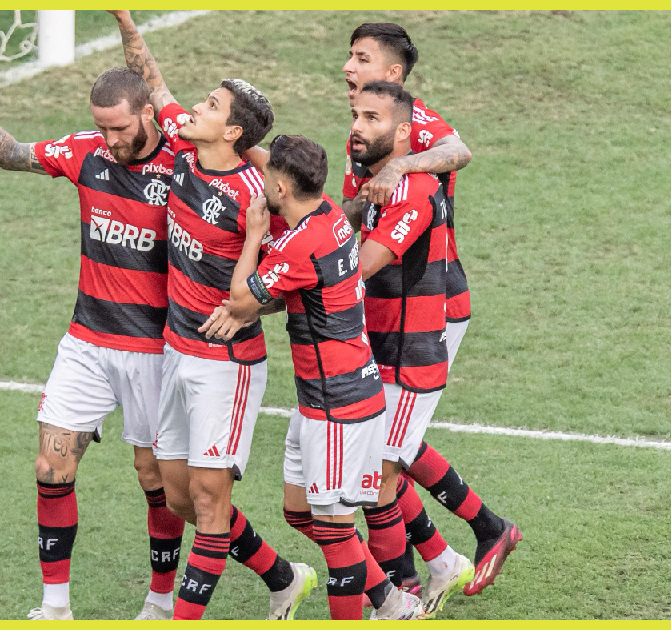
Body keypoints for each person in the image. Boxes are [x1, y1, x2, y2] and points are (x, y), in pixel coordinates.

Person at [0, 67, 184, 620]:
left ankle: (161, 599)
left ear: (147, 113)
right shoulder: (85, 152)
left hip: (154, 350)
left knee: (156, 481)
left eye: (118, 128)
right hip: (87, 343)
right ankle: (54, 607)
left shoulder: (183, 165)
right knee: (51, 469)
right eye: (102, 129)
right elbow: (11, 153)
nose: (111, 140)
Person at [109, 10, 315, 621]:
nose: (194, 108)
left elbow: (300, 268)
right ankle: (284, 576)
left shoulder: (259, 197)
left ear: (233, 132)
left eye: (211, 105)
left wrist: (251, 304)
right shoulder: (184, 146)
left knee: (208, 501)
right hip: (176, 348)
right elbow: (151, 79)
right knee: (178, 498)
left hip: (226, 365)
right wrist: (124, 18)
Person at [199, 135, 426, 620]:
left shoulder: (304, 241)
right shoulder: (326, 214)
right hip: (323, 400)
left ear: (281, 187)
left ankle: (381, 605)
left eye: (267, 182)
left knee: (336, 530)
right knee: (300, 513)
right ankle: (390, 599)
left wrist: (255, 235)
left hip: (339, 405)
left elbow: (242, 299)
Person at [342, 23, 522, 597]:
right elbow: (354, 213)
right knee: (389, 444)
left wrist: (404, 166)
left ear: (392, 75)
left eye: (361, 58)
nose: (347, 67)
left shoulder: (415, 126)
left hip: (428, 308)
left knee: (385, 458)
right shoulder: (364, 133)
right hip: (382, 307)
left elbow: (459, 151)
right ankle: (445, 555)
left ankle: (406, 587)